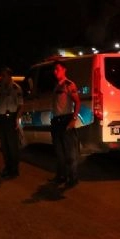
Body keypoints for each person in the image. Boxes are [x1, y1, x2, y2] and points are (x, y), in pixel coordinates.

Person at [50, 60, 81, 189]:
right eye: (54, 70)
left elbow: (77, 102)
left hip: (65, 120)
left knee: (70, 152)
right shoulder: (56, 86)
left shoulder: (69, 84)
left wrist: (73, 119)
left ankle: (73, 177)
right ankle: (61, 175)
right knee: (59, 151)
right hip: (56, 121)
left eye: (57, 69)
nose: (55, 72)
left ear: (64, 69)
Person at [0, 66, 23, 179]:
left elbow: (21, 105)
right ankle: (7, 167)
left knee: (12, 145)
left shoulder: (15, 88)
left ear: (9, 76)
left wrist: (17, 119)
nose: (2, 77)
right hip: (2, 119)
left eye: (4, 75)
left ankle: (14, 169)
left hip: (11, 118)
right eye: (1, 75)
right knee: (4, 146)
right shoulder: (0, 89)